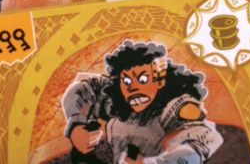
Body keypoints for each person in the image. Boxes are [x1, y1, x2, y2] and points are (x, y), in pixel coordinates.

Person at [62, 41, 222, 164]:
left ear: (160, 81)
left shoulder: (176, 107)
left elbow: (205, 140)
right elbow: (82, 87)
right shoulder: (116, 99)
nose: (132, 87)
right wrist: (76, 125)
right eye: (126, 81)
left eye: (143, 79)